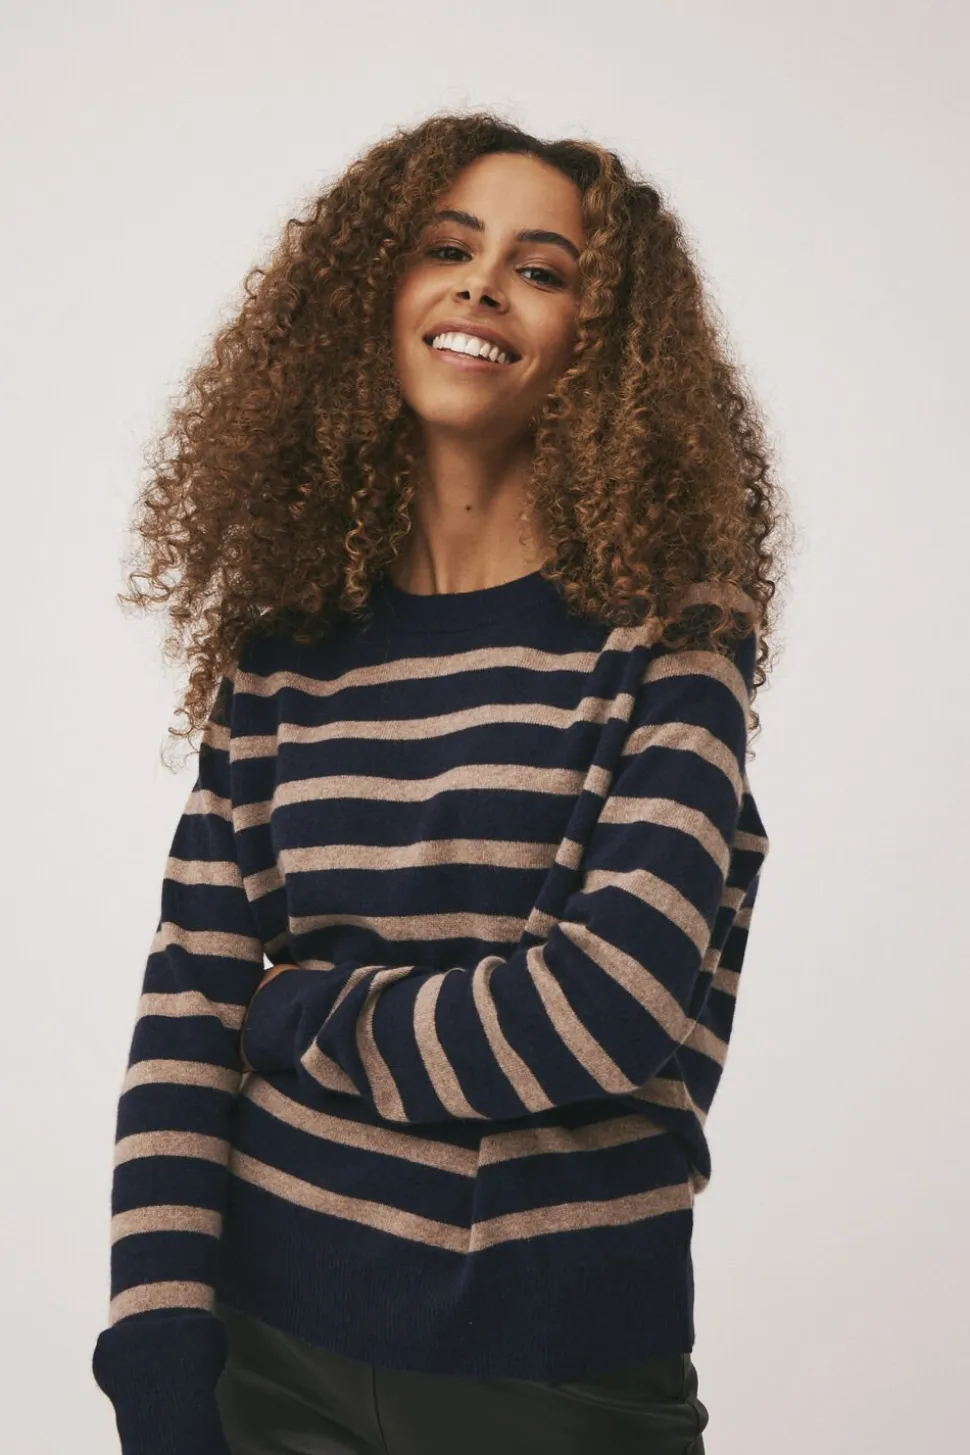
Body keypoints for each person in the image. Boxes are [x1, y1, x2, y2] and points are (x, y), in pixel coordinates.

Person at [91, 109, 788, 1455]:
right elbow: (186, 1021)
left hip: (554, 1372)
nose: (482, 286)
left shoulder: (673, 638)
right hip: (266, 1353)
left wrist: (309, 1015)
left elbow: (610, 1008)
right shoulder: (284, 657)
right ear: (372, 293)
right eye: (447, 248)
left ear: (603, 342)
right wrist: (158, 1357)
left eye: (541, 268)